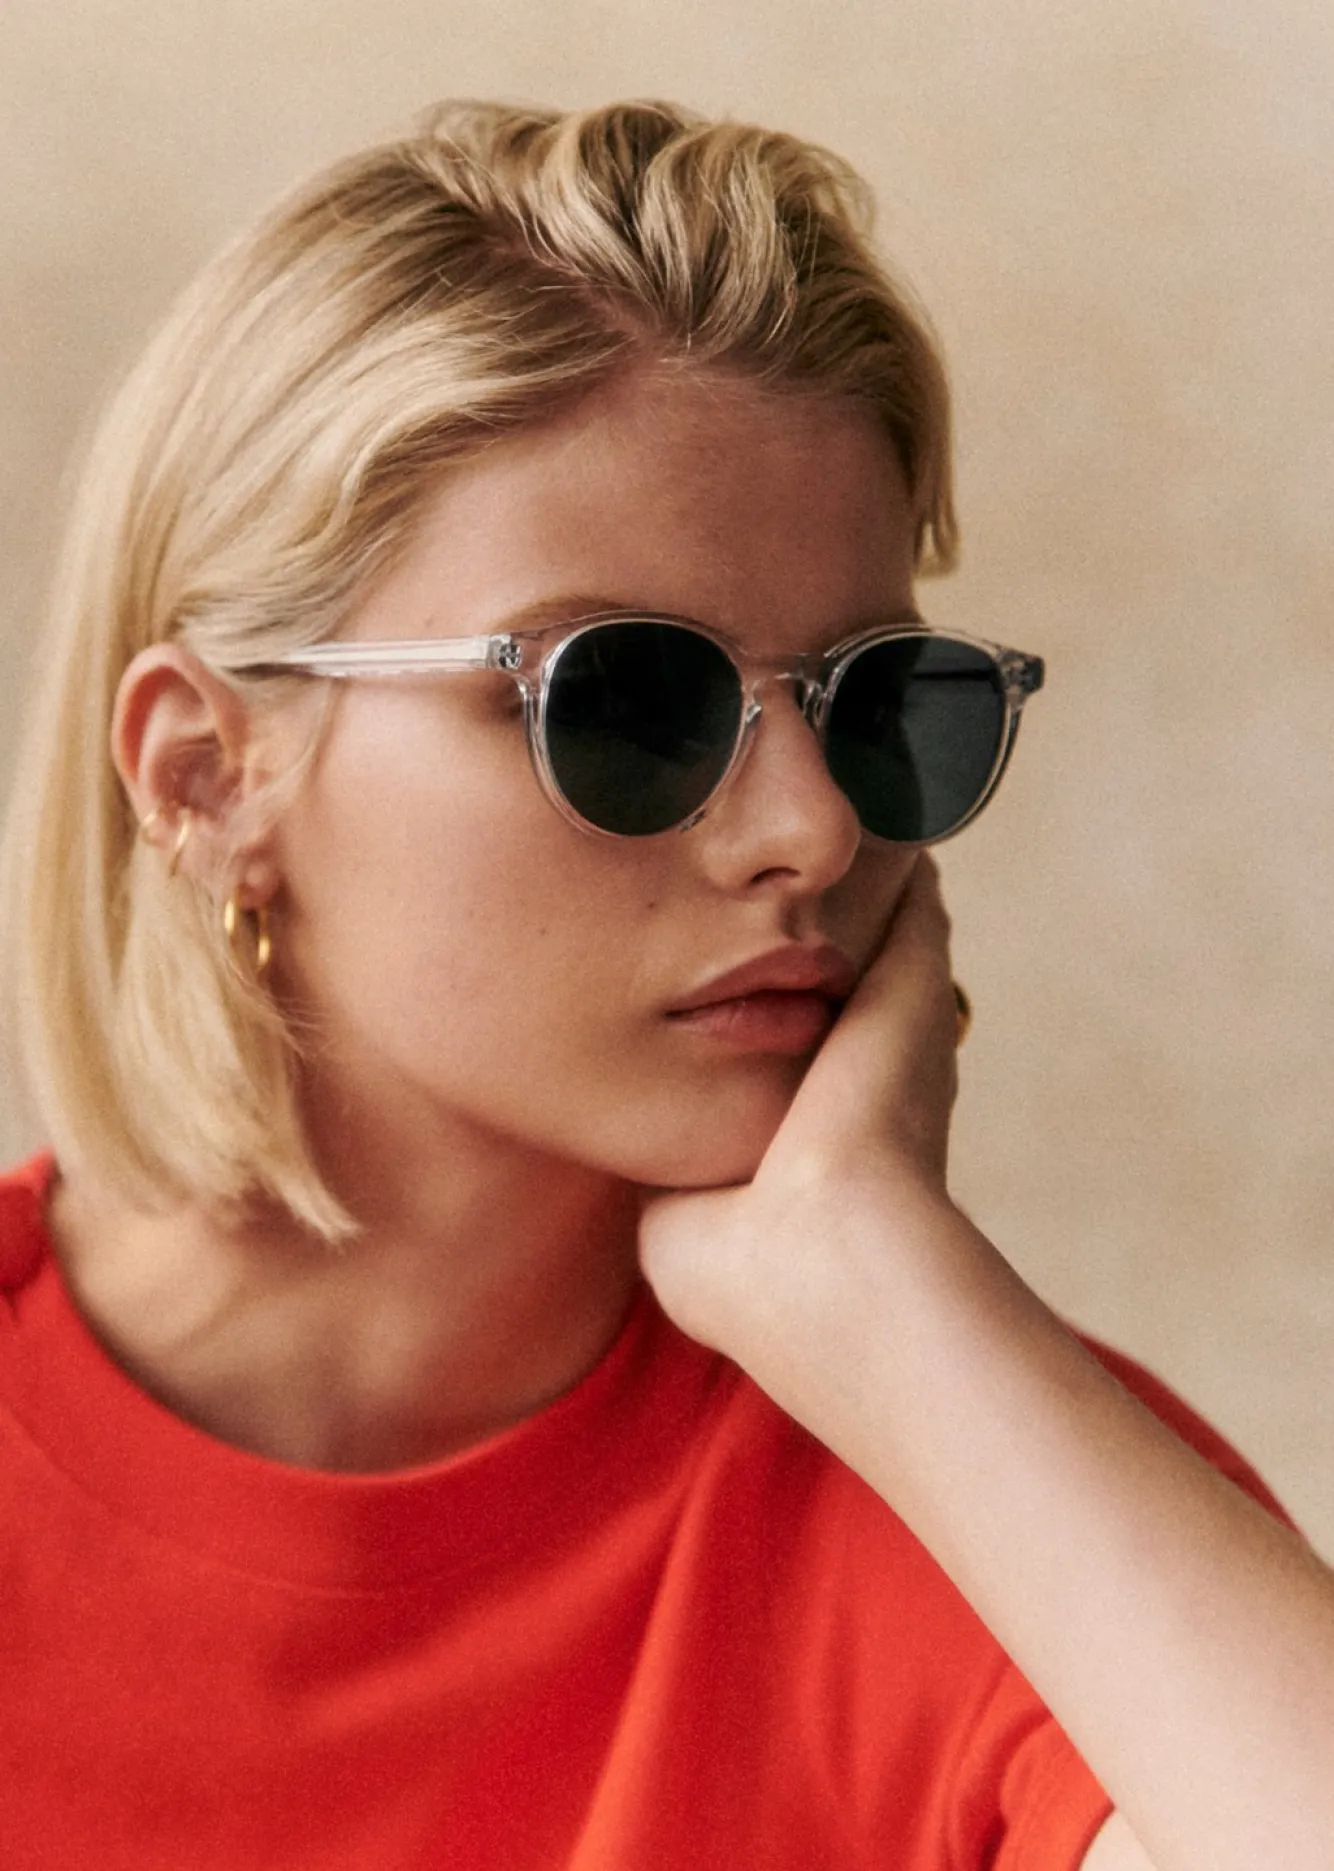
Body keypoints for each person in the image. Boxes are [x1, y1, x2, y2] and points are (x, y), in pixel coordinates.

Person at [0, 99, 1330, 1871]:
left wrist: (883, 1293)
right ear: (203, 776)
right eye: (627, 703)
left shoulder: (977, 1475)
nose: (811, 827)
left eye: (875, 703)